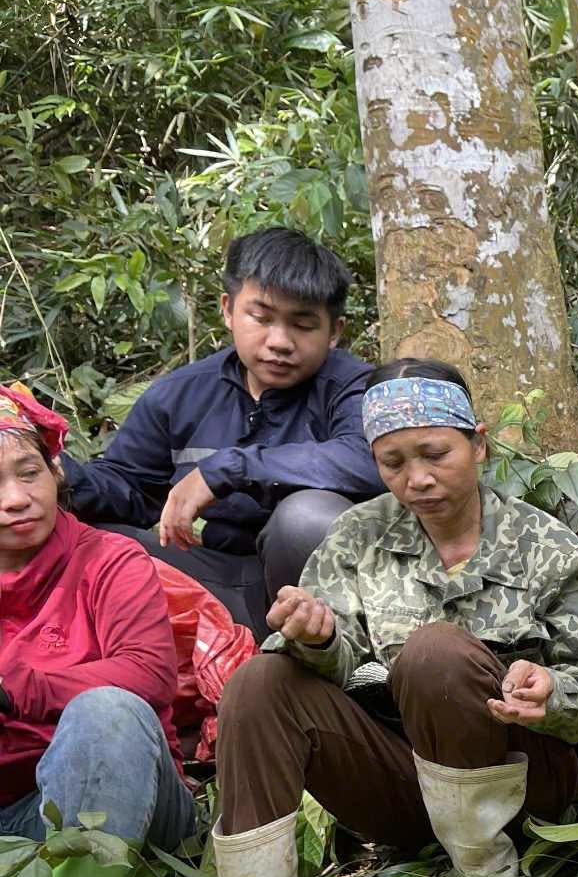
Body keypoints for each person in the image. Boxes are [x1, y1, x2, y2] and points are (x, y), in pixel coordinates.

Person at [211, 359, 578, 877]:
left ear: (478, 444)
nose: (417, 479)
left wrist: (552, 694)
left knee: (434, 652)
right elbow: (336, 662)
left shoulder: (545, 545)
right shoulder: (357, 537)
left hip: (526, 785)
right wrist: (314, 637)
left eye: (435, 454)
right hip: (407, 787)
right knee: (258, 682)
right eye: (393, 463)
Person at [0, 384, 197, 877]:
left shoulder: (110, 563)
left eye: (28, 474)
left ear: (56, 473)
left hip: (135, 809)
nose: (15, 499)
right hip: (17, 822)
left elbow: (147, 674)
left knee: (106, 711)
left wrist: (19, 688)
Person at [62, 226, 381, 634]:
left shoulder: (355, 388)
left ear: (334, 332)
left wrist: (227, 469)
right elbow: (130, 489)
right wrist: (58, 474)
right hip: (217, 581)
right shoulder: (180, 395)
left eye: (302, 325)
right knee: (79, 539)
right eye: (261, 318)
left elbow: (371, 460)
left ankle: (322, 660)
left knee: (306, 517)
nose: (279, 341)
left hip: (323, 598)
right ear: (229, 310)